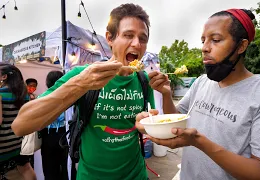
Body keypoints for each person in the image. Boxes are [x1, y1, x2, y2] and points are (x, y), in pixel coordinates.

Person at [136, 8, 260, 180]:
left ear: (241, 46)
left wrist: (199, 142)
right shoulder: (201, 82)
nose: (205, 48)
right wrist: (167, 94)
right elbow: (176, 118)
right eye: (203, 40)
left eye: (215, 40)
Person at [12, 3, 154, 180]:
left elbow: (150, 122)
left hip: (137, 175)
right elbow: (21, 125)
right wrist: (80, 84)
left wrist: (148, 122)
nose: (137, 44)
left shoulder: (143, 79)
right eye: (128, 35)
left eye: (143, 38)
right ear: (109, 38)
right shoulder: (84, 75)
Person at [0, 63, 36, 180]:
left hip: (2, 146)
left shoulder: (1, 94)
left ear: (4, 76)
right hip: (19, 144)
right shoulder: (24, 95)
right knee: (25, 168)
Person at [40, 71, 68, 180]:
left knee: (49, 167)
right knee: (66, 166)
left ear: (47, 82)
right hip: (64, 133)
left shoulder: (43, 97)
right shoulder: (69, 96)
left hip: (48, 135)